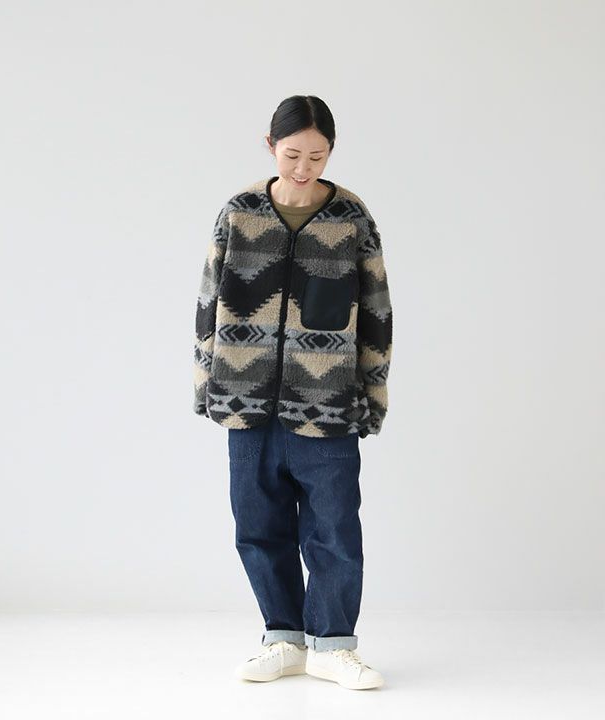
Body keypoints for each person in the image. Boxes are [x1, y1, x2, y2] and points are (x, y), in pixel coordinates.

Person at [192, 95, 392, 690]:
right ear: (270, 146)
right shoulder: (240, 213)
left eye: (317, 156)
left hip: (328, 402)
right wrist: (206, 384)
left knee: (334, 529)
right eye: (292, 154)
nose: (304, 167)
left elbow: (377, 312)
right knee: (257, 526)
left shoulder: (350, 217)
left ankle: (333, 645)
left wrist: (373, 395)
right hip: (245, 399)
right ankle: (282, 637)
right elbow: (208, 301)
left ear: (331, 152)